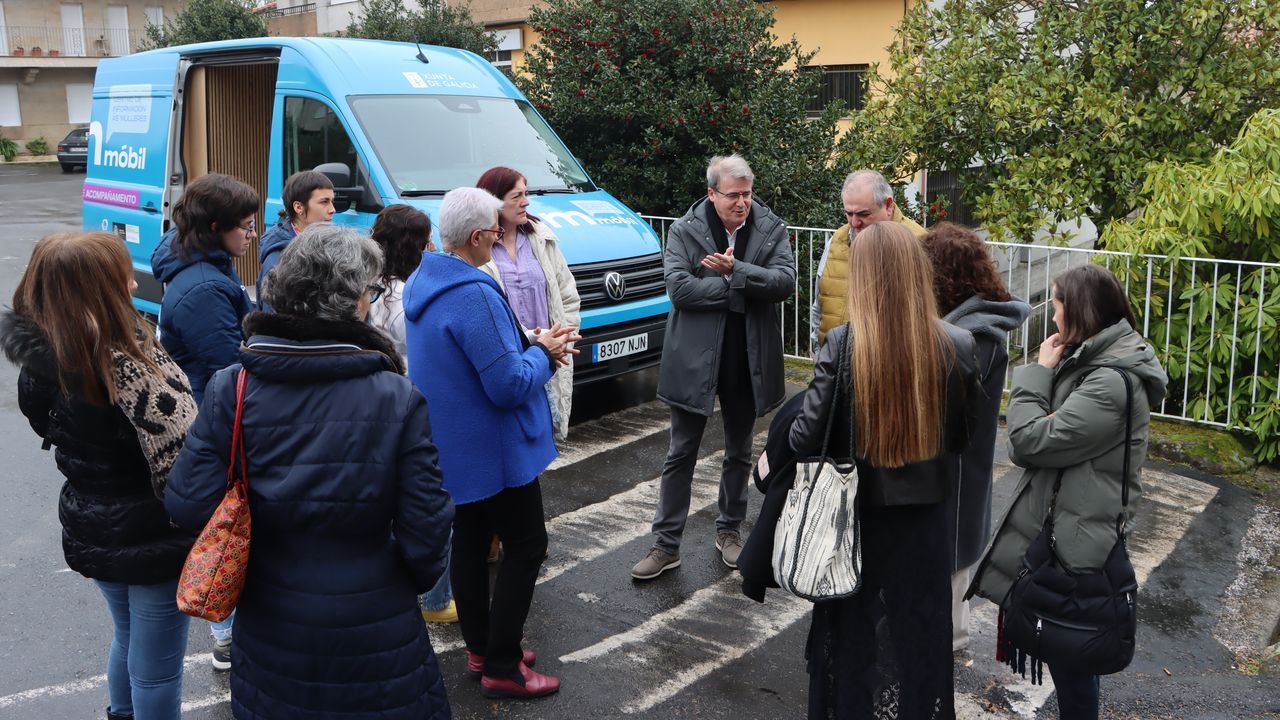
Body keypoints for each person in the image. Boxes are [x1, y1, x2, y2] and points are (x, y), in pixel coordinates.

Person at [165, 224, 455, 720]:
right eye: (370, 289)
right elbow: (427, 532)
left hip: (270, 617)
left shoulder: (231, 388)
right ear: (354, 302)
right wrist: (399, 577)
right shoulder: (396, 396)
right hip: (376, 621)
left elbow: (186, 502)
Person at [3, 232, 198, 720]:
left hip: (91, 518)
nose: (133, 282)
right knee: (157, 668)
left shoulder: (44, 359)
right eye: (121, 277)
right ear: (96, 292)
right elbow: (185, 454)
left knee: (128, 637)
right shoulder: (124, 369)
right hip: (153, 530)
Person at [790, 221, 980, 719]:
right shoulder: (957, 344)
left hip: (856, 522)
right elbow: (964, 438)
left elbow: (804, 438)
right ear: (918, 274)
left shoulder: (842, 344)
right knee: (920, 643)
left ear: (865, 278)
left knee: (852, 642)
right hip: (926, 525)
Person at [969, 264, 1167, 720]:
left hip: (1078, 541)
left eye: (1057, 305)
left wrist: (1036, 374)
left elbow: (1028, 441)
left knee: (1071, 653)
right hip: (1071, 527)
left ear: (1080, 311)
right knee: (1069, 652)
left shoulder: (1109, 383)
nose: (1053, 316)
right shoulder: (1096, 362)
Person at [402, 187, 578, 699]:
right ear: (479, 236)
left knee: (473, 544)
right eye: (498, 228)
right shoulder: (474, 291)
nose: (504, 235)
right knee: (528, 545)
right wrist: (544, 353)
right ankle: (501, 663)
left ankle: (483, 647)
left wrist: (530, 343)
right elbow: (507, 385)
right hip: (495, 447)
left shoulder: (423, 279)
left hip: (454, 443)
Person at [632, 153, 795, 579]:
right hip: (694, 361)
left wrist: (735, 271)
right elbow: (680, 290)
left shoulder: (770, 227)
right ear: (711, 193)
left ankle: (730, 532)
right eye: (732, 195)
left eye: (747, 194)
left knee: (739, 452)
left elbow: (784, 283)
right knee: (680, 453)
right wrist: (740, 286)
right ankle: (666, 545)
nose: (742, 203)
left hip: (747, 360)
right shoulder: (686, 230)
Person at [150, 171, 257, 668]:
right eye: (244, 225)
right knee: (228, 522)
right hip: (211, 419)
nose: (252, 234)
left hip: (207, 408)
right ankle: (227, 635)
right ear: (216, 227)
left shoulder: (202, 264)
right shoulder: (205, 289)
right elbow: (229, 368)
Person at [920, 222, 1031, 652]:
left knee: (948, 572)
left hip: (955, 474)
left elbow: (940, 409)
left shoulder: (976, 337)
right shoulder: (970, 327)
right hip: (958, 472)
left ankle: (945, 650)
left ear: (942, 276)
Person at [368, 203, 456, 624]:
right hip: (410, 402)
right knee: (429, 498)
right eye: (426, 240)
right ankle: (435, 599)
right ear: (413, 246)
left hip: (375, 402)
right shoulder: (411, 292)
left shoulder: (368, 286)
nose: (435, 245)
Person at [808, 169, 926, 353]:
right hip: (836, 366)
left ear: (888, 206)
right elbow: (819, 304)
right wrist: (817, 351)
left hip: (892, 367)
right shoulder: (837, 240)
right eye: (849, 213)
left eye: (863, 214)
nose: (854, 223)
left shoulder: (919, 244)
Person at [255, 169, 336, 309]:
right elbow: (273, 319)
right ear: (298, 207)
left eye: (332, 201)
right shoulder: (279, 259)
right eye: (324, 202)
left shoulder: (321, 243)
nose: (332, 209)